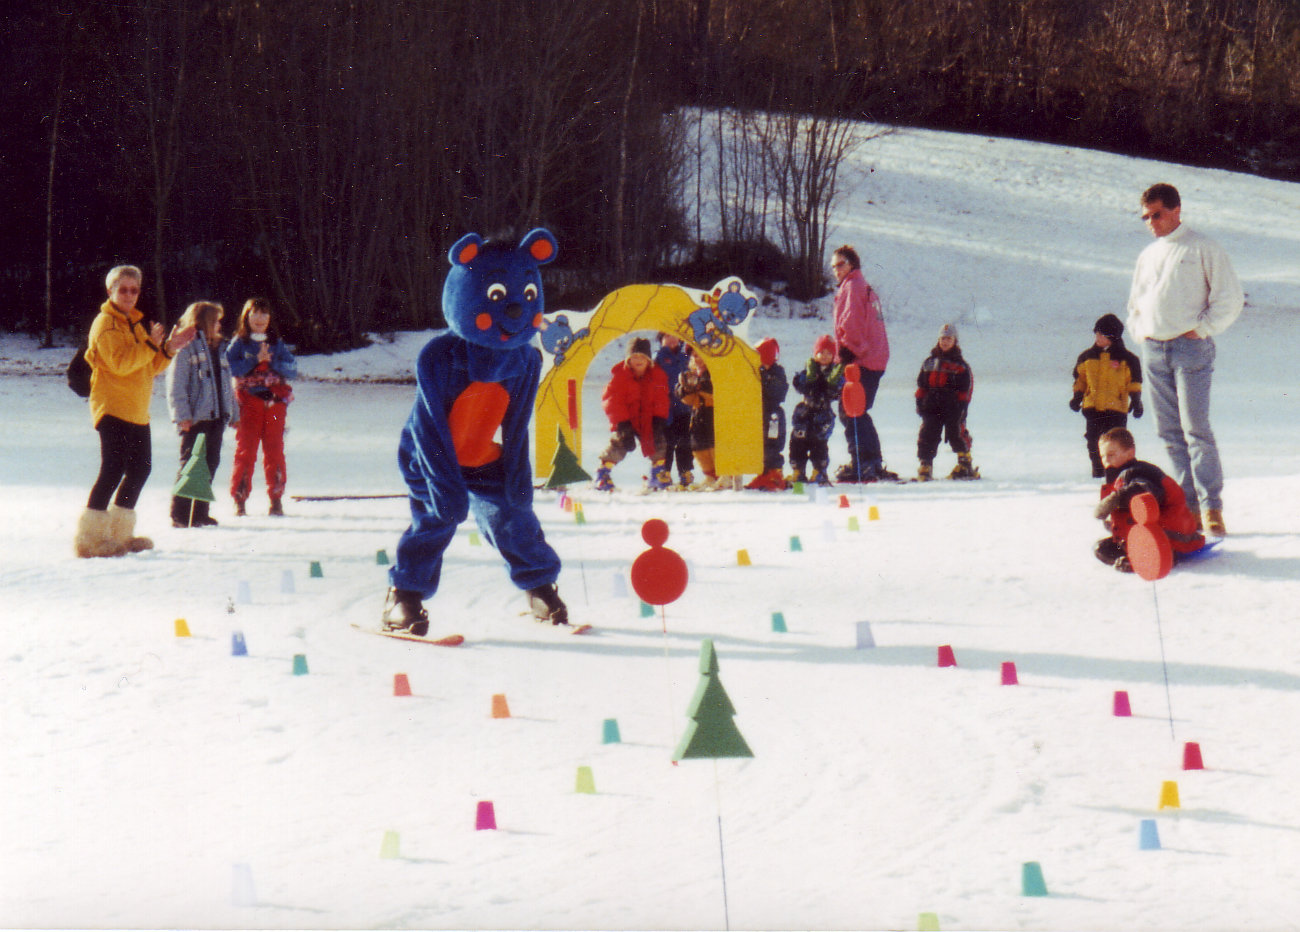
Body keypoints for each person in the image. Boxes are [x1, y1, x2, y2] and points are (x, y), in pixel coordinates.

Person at [384, 229, 567, 636]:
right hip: (430, 456)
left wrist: (517, 478)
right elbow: (429, 427)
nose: (518, 311)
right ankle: (404, 595)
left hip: (482, 455)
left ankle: (539, 583)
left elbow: (516, 425)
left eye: (526, 299)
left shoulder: (526, 360)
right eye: (500, 297)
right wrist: (445, 486)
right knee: (435, 518)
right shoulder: (440, 358)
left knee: (515, 516)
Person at [1126, 183, 1242, 536]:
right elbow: (1136, 303)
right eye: (1146, 217)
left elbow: (1229, 298)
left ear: (1176, 210)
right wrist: (1141, 331)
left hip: (1190, 348)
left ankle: (1212, 508)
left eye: (1157, 214)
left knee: (1195, 429)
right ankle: (1186, 506)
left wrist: (1203, 329)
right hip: (1154, 350)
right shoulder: (1148, 255)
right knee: (1168, 432)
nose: (1151, 222)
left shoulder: (1203, 247)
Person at [75, 265, 196, 558]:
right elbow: (120, 364)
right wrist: (151, 345)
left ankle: (119, 535)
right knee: (113, 469)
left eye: (134, 290)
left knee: (141, 469)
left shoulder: (136, 323)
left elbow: (148, 366)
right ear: (111, 292)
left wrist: (168, 348)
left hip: (137, 411)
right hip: (112, 408)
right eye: (123, 289)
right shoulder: (104, 324)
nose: (130, 295)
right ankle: (90, 540)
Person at [166, 301, 238, 527]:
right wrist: (181, 414)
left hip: (217, 416)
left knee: (210, 462)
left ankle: (200, 512)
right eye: (216, 321)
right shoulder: (186, 348)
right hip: (196, 418)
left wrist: (234, 412)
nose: (219, 325)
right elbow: (176, 385)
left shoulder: (220, 348)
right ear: (205, 322)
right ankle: (181, 513)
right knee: (192, 464)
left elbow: (227, 383)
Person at [1094, 427, 1205, 573]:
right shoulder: (1120, 476)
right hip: (1147, 534)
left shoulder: (1139, 472)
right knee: (1101, 549)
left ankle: (1164, 557)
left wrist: (1114, 499)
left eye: (1111, 454)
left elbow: (1145, 493)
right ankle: (1133, 558)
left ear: (1130, 453)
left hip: (1172, 535)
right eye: (1103, 456)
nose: (1106, 460)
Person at [831, 245, 897, 482]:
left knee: (851, 409)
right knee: (857, 410)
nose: (836, 271)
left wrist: (847, 350)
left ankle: (863, 462)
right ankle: (870, 461)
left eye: (840, 265)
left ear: (852, 265)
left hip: (862, 357)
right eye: (834, 267)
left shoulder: (853, 287)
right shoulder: (861, 286)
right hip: (873, 357)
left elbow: (852, 321)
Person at [227, 297, 297, 516]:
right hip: (249, 402)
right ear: (246, 317)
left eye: (264, 314)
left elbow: (292, 369)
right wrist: (255, 361)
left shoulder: (277, 343)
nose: (260, 319)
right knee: (246, 450)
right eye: (255, 314)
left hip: (275, 404)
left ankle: (276, 498)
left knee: (274, 449)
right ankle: (240, 499)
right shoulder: (239, 342)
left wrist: (274, 362)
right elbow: (232, 367)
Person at [1070, 313, 1143, 478]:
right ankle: (1098, 472)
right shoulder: (1086, 357)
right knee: (1093, 442)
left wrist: (1136, 401)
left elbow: (1133, 382)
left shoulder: (1128, 359)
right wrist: (1077, 397)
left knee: (1115, 444)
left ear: (1112, 337)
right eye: (1096, 333)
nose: (1097, 337)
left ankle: (1116, 475)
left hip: (1115, 410)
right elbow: (1081, 380)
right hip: (1093, 409)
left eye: (1101, 334)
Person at [594, 337, 671, 492]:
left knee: (659, 443)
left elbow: (661, 398)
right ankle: (602, 473)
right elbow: (612, 401)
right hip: (627, 421)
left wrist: (658, 419)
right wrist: (622, 424)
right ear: (628, 360)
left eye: (642, 357)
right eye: (634, 356)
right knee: (619, 445)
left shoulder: (657, 375)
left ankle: (657, 474)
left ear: (649, 360)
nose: (638, 360)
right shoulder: (620, 377)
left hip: (647, 420)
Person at [914, 323, 978, 480]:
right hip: (932, 405)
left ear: (955, 341)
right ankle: (925, 465)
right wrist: (920, 402)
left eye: (949, 339)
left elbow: (966, 389)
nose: (945, 342)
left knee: (956, 432)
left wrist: (962, 407)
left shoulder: (960, 365)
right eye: (943, 338)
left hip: (952, 406)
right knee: (928, 433)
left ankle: (965, 463)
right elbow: (922, 385)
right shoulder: (929, 362)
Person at [788, 334, 842, 485]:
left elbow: (837, 392)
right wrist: (807, 380)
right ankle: (798, 470)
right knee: (798, 441)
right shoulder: (809, 369)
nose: (825, 357)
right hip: (805, 413)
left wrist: (833, 384)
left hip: (823, 413)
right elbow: (798, 385)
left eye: (829, 353)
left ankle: (819, 471)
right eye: (821, 353)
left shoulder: (834, 372)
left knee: (819, 443)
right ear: (815, 354)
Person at [677, 348, 726, 490]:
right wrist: (685, 390)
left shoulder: (715, 372)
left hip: (714, 413)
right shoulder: (693, 374)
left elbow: (716, 392)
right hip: (699, 413)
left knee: (714, 445)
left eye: (701, 356)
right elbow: (689, 399)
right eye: (694, 356)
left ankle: (725, 474)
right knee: (700, 447)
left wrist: (700, 386)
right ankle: (710, 475)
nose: (698, 359)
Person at [746, 337, 789, 491]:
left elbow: (778, 392)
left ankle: (775, 474)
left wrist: (764, 377)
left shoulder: (777, 372)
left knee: (772, 444)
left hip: (773, 416)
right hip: (759, 413)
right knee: (760, 445)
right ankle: (763, 473)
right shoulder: (756, 372)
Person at [655, 332, 694, 488]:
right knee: (667, 442)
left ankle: (685, 471)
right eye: (667, 336)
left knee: (685, 440)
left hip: (683, 406)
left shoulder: (686, 356)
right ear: (661, 339)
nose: (671, 339)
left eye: (674, 336)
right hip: (666, 407)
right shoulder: (657, 357)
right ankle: (665, 471)